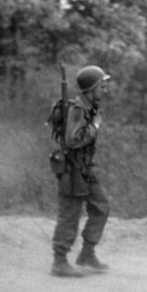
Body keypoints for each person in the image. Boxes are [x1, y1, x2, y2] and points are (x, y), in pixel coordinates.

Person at [50, 65, 112, 277]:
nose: (105, 90)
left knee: (101, 206)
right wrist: (94, 127)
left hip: (85, 168)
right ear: (91, 89)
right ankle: (59, 261)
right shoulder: (78, 108)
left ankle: (86, 253)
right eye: (102, 86)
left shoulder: (90, 108)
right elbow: (73, 140)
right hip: (72, 169)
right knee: (69, 214)